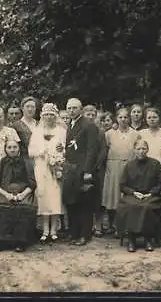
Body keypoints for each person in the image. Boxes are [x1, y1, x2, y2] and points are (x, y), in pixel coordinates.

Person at [0, 140, 38, 252]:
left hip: (23, 192)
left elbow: (32, 183)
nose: (12, 149)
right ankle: (1, 241)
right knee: (0, 207)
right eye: (9, 147)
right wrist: (6, 195)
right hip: (3, 192)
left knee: (23, 207)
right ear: (5, 149)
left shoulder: (26, 163)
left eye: (15, 147)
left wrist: (22, 195)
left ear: (19, 148)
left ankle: (20, 242)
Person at [116, 139, 161, 252]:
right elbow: (122, 185)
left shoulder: (155, 164)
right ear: (134, 150)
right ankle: (131, 239)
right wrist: (133, 193)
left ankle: (148, 239)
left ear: (147, 150)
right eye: (138, 149)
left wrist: (151, 193)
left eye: (143, 148)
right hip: (133, 195)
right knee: (130, 206)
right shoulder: (129, 165)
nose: (141, 151)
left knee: (146, 207)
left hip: (151, 196)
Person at [61, 98, 99, 246]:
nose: (71, 111)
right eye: (69, 108)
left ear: (81, 109)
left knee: (84, 204)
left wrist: (88, 171)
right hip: (70, 169)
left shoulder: (88, 125)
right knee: (71, 202)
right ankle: (73, 232)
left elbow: (92, 150)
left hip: (83, 169)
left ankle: (85, 234)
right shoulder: (70, 125)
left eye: (74, 108)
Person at [28, 103, 66, 243]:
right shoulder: (37, 132)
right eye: (46, 115)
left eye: (51, 115)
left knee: (55, 196)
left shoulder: (61, 131)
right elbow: (30, 151)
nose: (49, 117)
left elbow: (65, 147)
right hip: (41, 166)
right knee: (43, 196)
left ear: (55, 116)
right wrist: (41, 152)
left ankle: (54, 229)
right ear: (42, 116)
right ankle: (44, 229)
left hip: (56, 166)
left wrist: (60, 152)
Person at [101, 108, 140, 236]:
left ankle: (124, 226)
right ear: (116, 119)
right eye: (120, 117)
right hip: (113, 167)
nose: (123, 120)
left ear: (129, 119)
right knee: (113, 196)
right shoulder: (110, 134)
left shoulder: (135, 134)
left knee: (125, 197)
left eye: (126, 117)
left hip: (129, 167)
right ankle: (112, 225)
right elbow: (105, 151)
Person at [139, 107, 161, 244]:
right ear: (145, 120)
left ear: (159, 118)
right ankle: (145, 228)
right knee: (147, 199)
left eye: (154, 117)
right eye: (149, 117)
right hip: (146, 171)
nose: (152, 119)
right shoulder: (141, 133)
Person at [83, 105, 108, 238]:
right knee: (85, 197)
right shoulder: (81, 129)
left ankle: (98, 225)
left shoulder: (100, 131)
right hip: (83, 168)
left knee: (97, 197)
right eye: (88, 114)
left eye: (93, 114)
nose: (91, 117)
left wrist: (95, 165)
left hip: (97, 169)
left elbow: (103, 150)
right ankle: (87, 225)